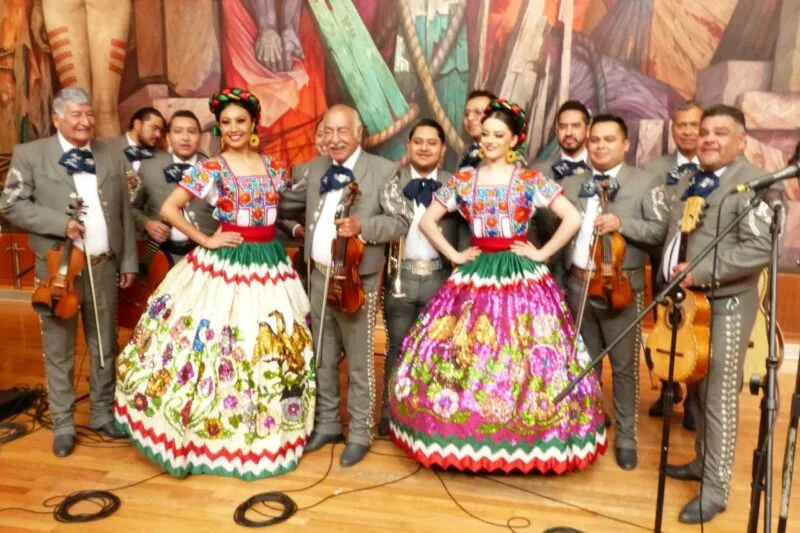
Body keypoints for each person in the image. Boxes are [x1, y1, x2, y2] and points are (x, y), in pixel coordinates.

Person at [388, 99, 607, 474]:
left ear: (514, 141)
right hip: (476, 272)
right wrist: (455, 256)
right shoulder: (465, 180)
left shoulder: (528, 180)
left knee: (524, 353)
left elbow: (571, 217)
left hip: (521, 274)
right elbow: (427, 222)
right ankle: (467, 436)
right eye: (486, 134)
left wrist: (542, 253)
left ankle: (523, 442)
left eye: (498, 135)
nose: (489, 141)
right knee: (467, 353)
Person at [114, 88, 316, 480]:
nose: (234, 128)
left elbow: (272, 215)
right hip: (227, 262)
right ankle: (211, 434)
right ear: (219, 128)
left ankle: (266, 432)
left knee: (268, 346)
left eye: (240, 120)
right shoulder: (212, 168)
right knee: (219, 345)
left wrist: (294, 227)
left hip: (270, 264)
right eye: (226, 122)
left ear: (254, 124)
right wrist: (206, 240)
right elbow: (169, 208)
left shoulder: (273, 166)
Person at [0, 87, 137, 457]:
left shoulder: (110, 152)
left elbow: (124, 212)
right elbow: (10, 204)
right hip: (58, 274)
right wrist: (60, 223)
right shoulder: (31, 154)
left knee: (104, 344)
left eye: (89, 114)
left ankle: (102, 412)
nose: (85, 122)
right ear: (57, 117)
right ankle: (63, 423)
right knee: (59, 348)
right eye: (76, 115)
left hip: (104, 266)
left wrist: (128, 261)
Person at [663, 105, 777, 524]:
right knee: (695, 386)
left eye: (721, 132)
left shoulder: (753, 182)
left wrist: (701, 271)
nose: (709, 138)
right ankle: (701, 462)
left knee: (718, 396)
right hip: (691, 304)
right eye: (705, 131)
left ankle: (715, 491)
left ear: (741, 141)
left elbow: (761, 247)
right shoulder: (692, 179)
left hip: (727, 303)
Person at [279, 104, 408, 467]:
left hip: (356, 281)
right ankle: (328, 424)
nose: (334, 139)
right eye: (328, 131)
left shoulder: (383, 170)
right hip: (319, 276)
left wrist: (363, 227)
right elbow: (283, 202)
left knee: (359, 362)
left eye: (342, 131)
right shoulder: (315, 167)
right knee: (322, 355)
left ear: (359, 133)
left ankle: (361, 433)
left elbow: (401, 219)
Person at [562, 114, 668, 471]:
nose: (600, 146)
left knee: (624, 368)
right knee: (583, 364)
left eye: (609, 139)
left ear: (625, 144)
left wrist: (623, 223)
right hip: (578, 284)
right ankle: (586, 431)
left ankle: (626, 438)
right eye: (595, 140)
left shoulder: (645, 181)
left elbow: (660, 231)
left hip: (621, 287)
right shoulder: (573, 183)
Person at [378, 118, 459, 436]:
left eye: (432, 142)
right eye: (418, 142)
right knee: (397, 347)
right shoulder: (391, 180)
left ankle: (428, 417)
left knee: (436, 350)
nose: (424, 148)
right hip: (401, 276)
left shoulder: (455, 183)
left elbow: (466, 229)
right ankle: (390, 415)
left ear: (443, 149)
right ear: (408, 146)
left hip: (440, 278)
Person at [643, 100, 704, 431]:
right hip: (663, 265)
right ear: (673, 128)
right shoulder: (654, 169)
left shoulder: (715, 166)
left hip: (701, 269)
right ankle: (668, 389)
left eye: (695, 125)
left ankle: (694, 400)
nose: (688, 131)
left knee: (695, 331)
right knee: (664, 327)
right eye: (682, 125)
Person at [132, 110, 217, 262]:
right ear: (168, 136)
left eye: (191, 132)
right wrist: (147, 224)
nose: (185, 138)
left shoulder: (214, 169)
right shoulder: (149, 166)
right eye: (178, 131)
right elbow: (132, 208)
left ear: (201, 137)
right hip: (163, 257)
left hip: (206, 257)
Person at [533, 100, 592, 289]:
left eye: (575, 126)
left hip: (590, 275)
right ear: (556, 130)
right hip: (547, 271)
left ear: (587, 130)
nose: (569, 132)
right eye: (563, 127)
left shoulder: (601, 171)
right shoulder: (537, 173)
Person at [106, 107, 166, 199]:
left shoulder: (161, 158)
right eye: (154, 128)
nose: (158, 134)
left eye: (160, 131)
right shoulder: (107, 148)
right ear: (137, 124)